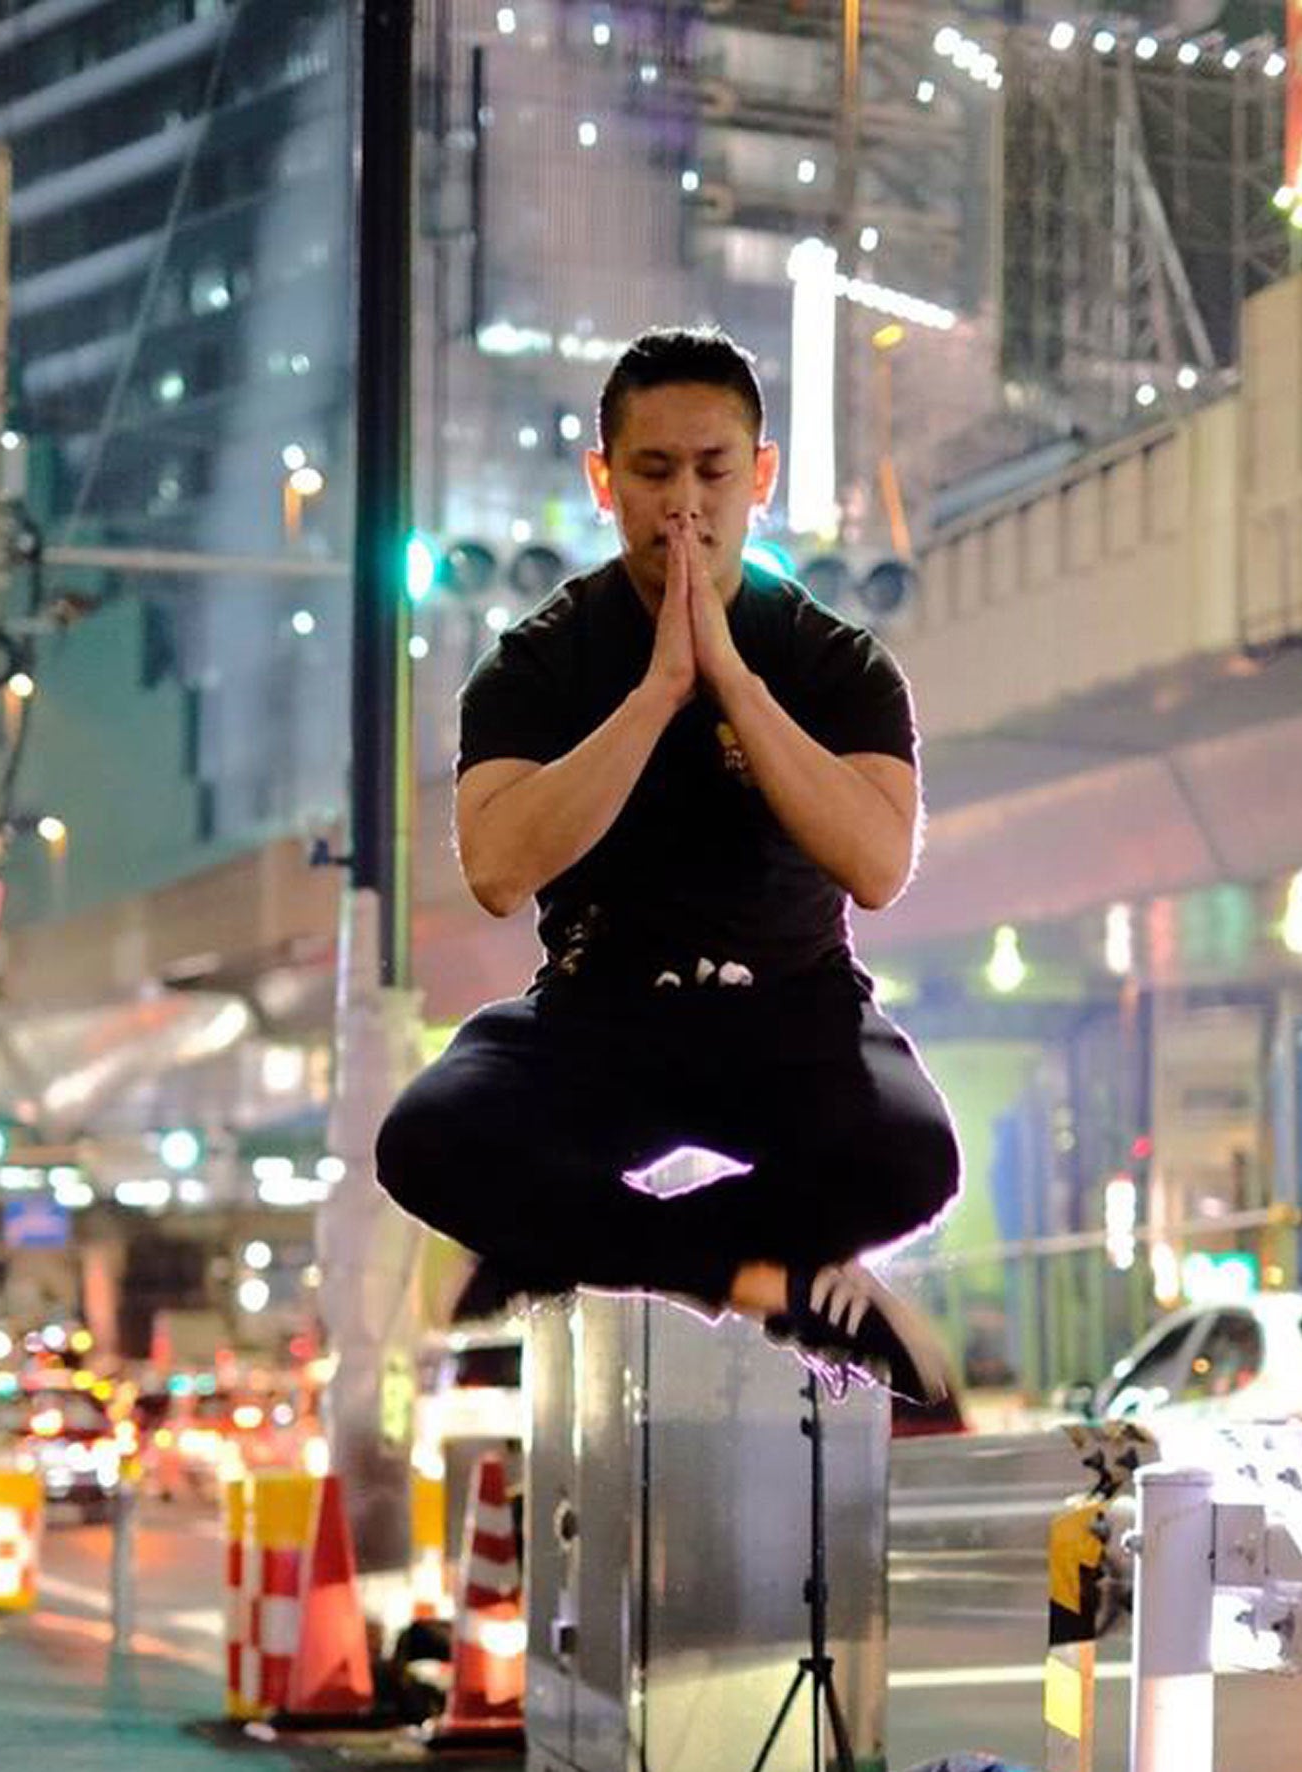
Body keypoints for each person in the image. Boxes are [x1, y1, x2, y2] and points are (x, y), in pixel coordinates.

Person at [375, 326, 960, 1402]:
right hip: (598, 1012)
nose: (683, 505)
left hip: (793, 1011)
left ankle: (560, 1251)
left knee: (913, 1157)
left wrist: (733, 681)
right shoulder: (535, 663)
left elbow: (877, 866)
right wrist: (656, 694)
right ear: (603, 480)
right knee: (424, 1140)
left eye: (712, 471)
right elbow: (496, 871)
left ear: (760, 477)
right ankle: (753, 1276)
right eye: (651, 472)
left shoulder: (836, 662)